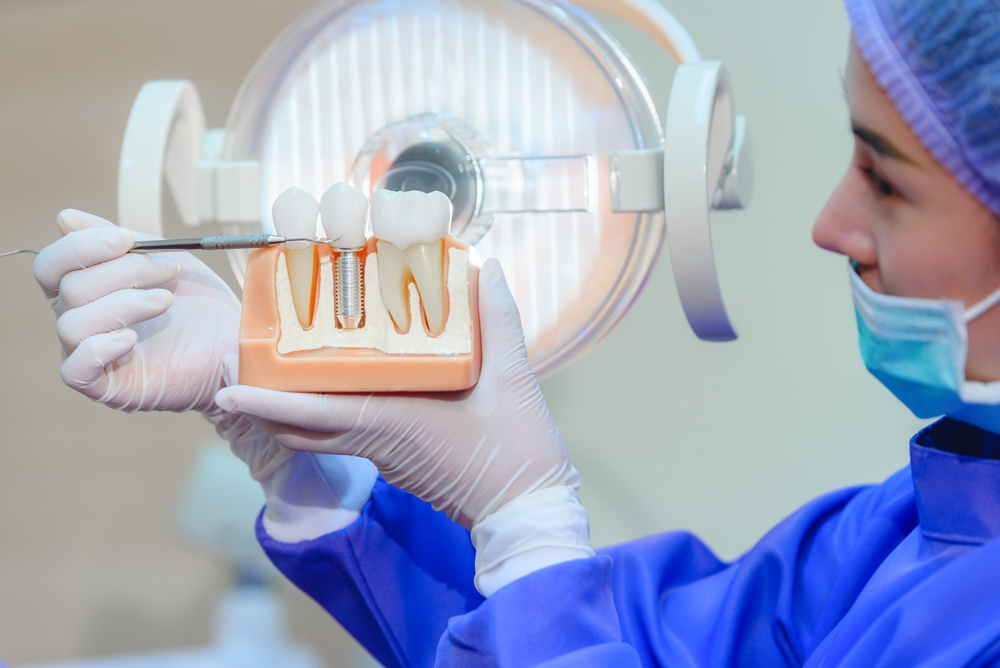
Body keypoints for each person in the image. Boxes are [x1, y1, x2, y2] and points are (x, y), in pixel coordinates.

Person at [32, 0, 1000, 664]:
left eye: (884, 178)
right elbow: (612, 637)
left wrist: (523, 516)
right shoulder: (915, 528)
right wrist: (309, 461)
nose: (829, 224)